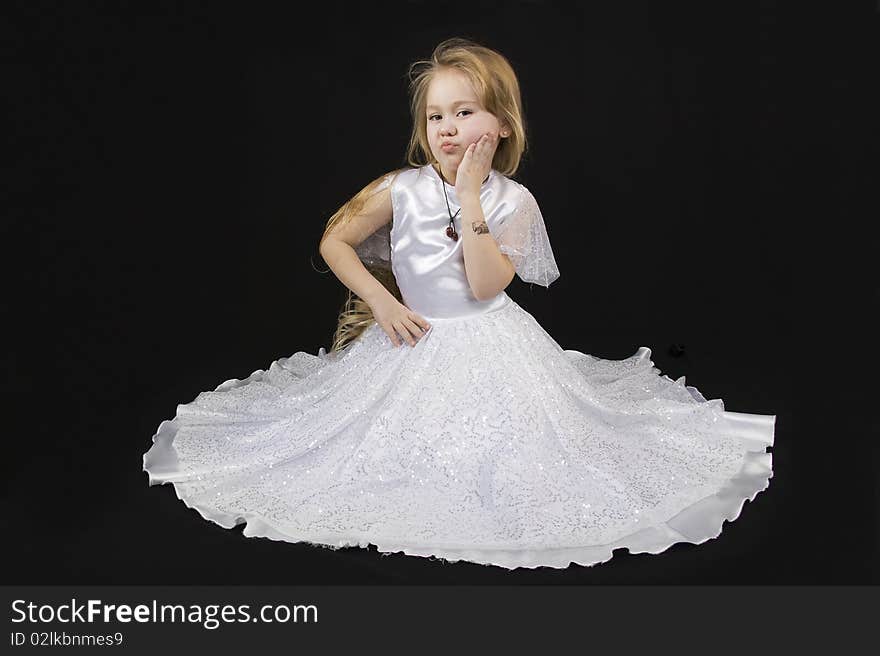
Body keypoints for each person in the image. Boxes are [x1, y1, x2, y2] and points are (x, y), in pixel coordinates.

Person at [143, 37, 775, 570]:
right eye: (434, 117)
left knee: (515, 454)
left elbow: (483, 286)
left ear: (500, 124)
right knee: (368, 448)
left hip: (491, 344)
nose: (446, 128)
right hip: (412, 337)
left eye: (464, 112)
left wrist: (472, 195)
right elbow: (335, 241)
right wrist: (381, 302)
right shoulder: (401, 188)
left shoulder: (513, 202)